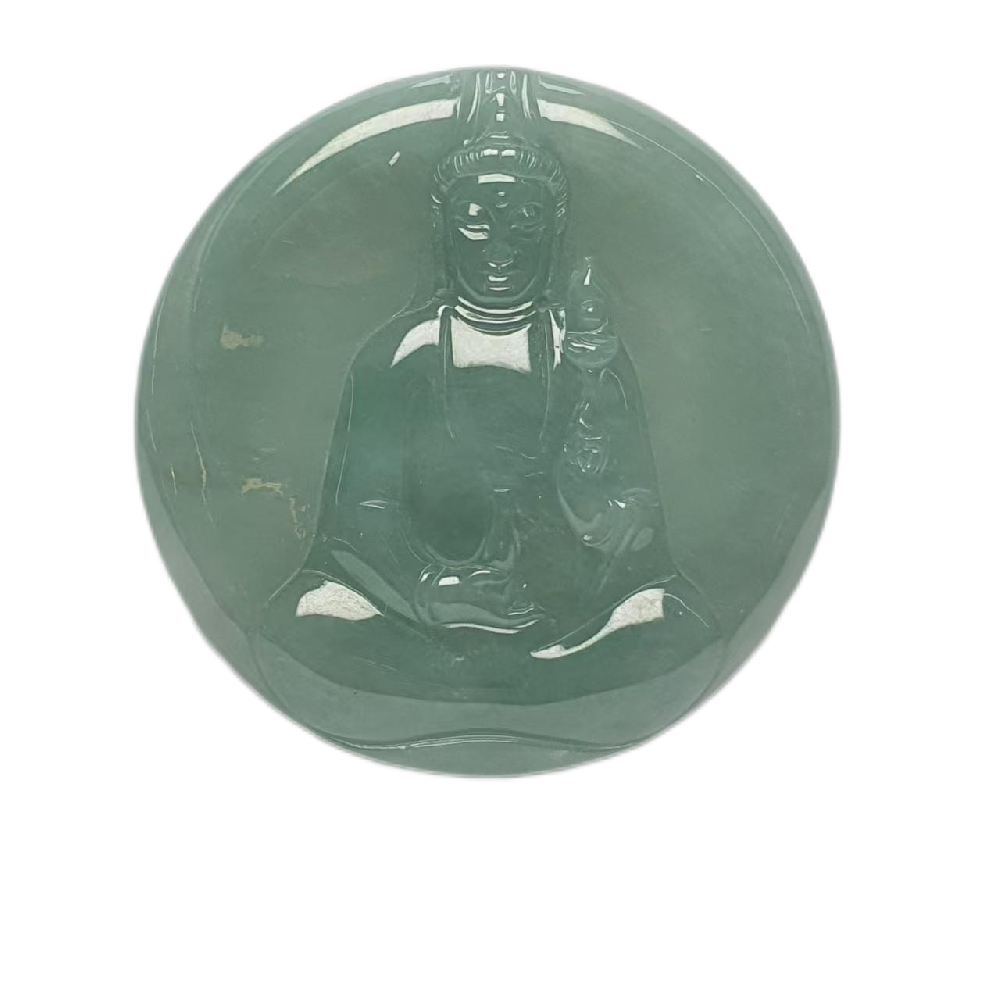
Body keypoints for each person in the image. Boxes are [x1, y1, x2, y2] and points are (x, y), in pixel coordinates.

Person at [259, 70, 718, 700]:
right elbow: (355, 527)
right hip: (421, 619)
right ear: (444, 230)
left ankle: (503, 687)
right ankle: (531, 696)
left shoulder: (586, 353)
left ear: (553, 232)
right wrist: (432, 592)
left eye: (525, 224)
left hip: (565, 619)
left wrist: (617, 522)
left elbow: (641, 532)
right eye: (476, 223)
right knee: (309, 618)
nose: (500, 249)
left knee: (670, 620)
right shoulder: (403, 352)